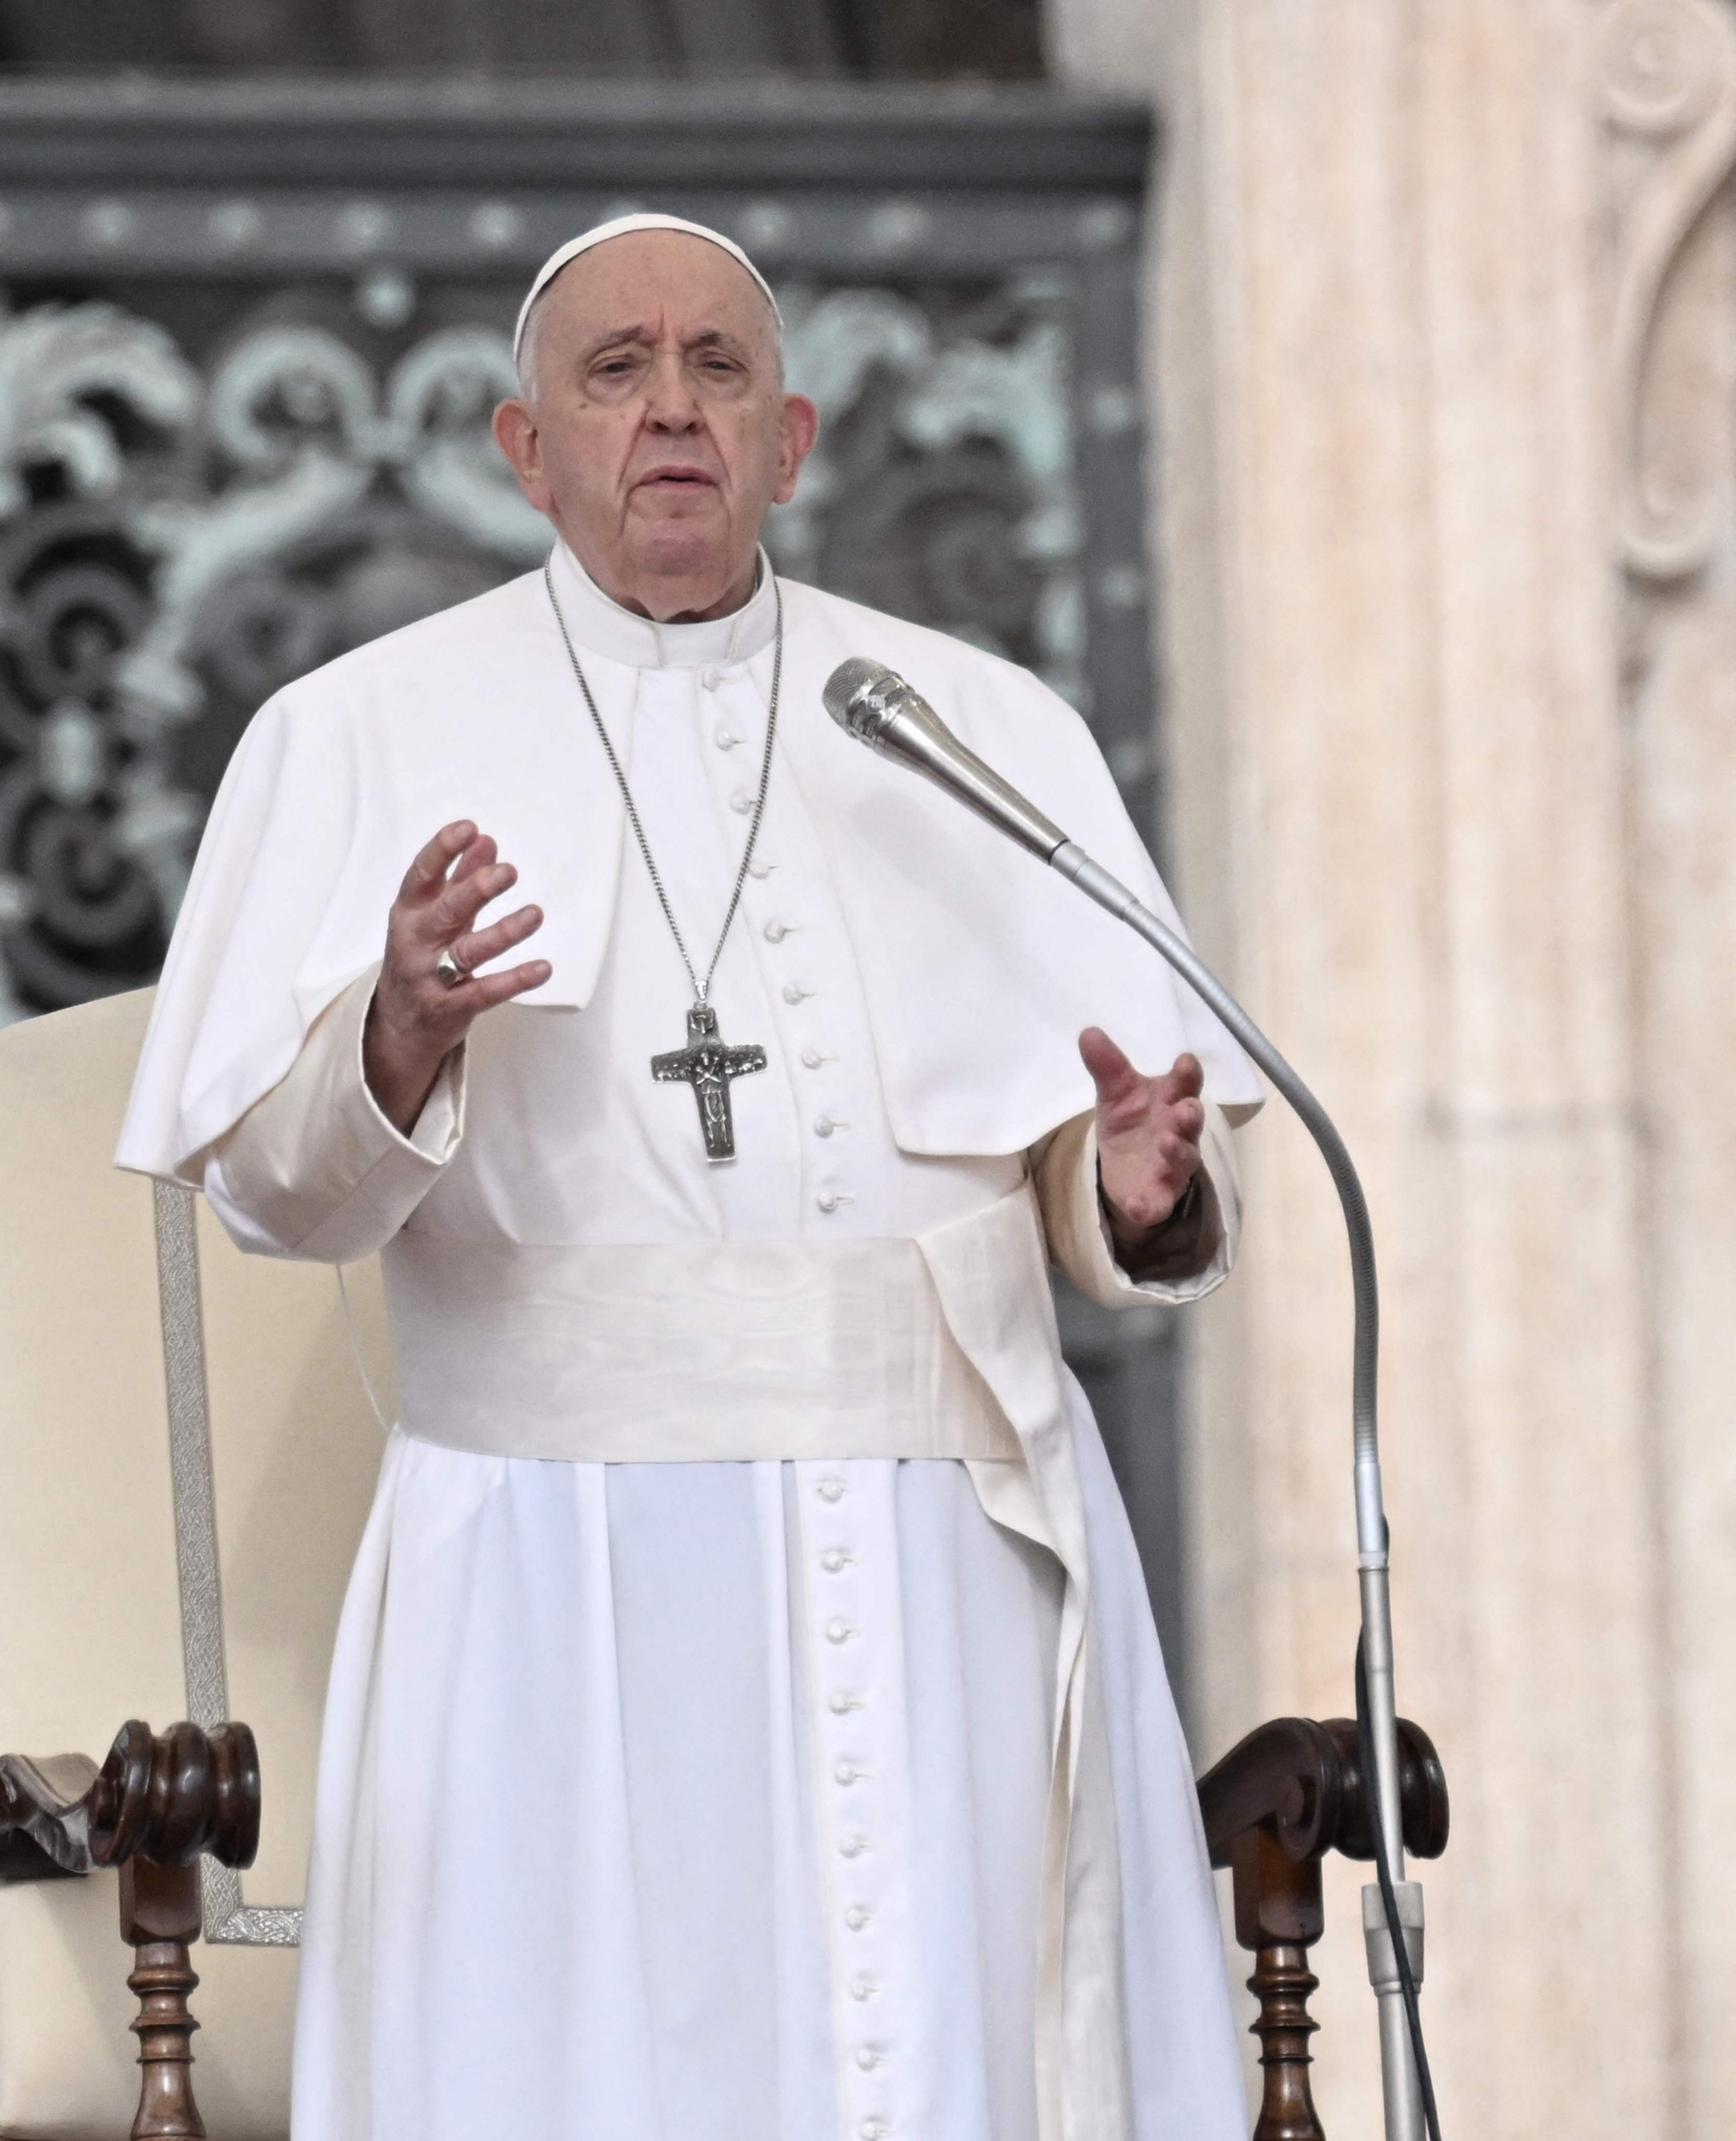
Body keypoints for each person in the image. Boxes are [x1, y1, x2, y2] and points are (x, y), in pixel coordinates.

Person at [118, 216, 1261, 2140]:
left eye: (719, 370)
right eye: (617, 371)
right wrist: (393, 1032)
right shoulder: (360, 732)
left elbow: (1089, 1164)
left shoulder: (975, 728)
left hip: (949, 1562)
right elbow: (269, 1202)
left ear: (793, 439)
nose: (672, 411)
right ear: (523, 446)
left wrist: (1136, 1186)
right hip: (555, 1581)